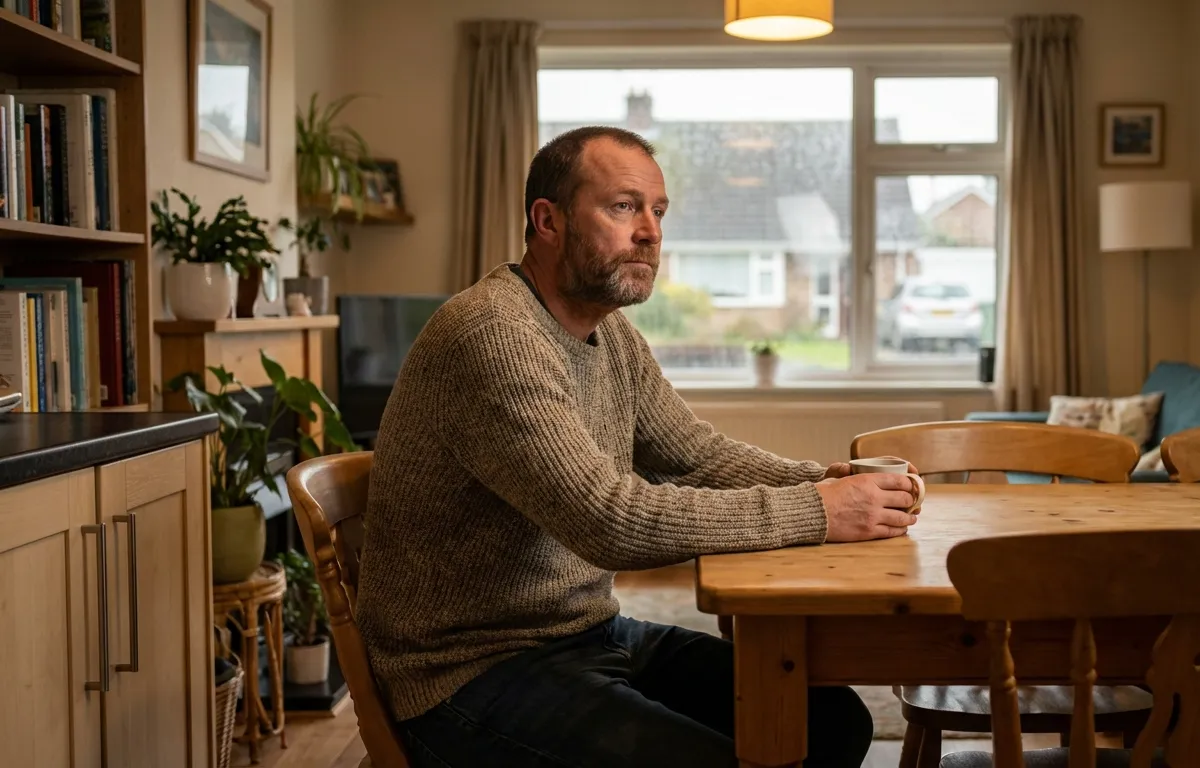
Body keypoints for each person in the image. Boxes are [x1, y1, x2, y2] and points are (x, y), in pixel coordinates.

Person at [358, 125, 923, 767]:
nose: (651, 232)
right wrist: (822, 510)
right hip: (469, 674)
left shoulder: (611, 336)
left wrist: (831, 481)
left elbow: (695, 454)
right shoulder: (492, 334)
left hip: (585, 634)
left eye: (657, 211)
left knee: (832, 721)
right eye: (623, 207)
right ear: (548, 219)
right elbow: (611, 522)